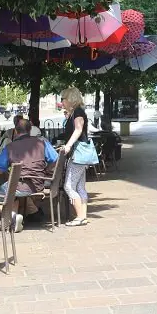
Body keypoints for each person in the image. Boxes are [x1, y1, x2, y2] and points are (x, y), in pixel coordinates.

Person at [0, 119, 59, 232]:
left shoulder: (11, 147)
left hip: (19, 186)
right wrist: (47, 171)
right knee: (12, 192)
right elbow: (55, 158)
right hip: (39, 184)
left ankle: (13, 216)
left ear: (16, 131)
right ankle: (13, 223)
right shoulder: (42, 143)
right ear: (30, 130)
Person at [60, 87, 91, 227]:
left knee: (69, 186)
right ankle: (83, 216)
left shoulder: (78, 112)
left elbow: (78, 129)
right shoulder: (75, 112)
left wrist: (68, 146)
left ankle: (79, 217)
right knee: (80, 187)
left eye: (63, 99)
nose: (62, 102)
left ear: (70, 99)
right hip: (80, 155)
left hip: (78, 155)